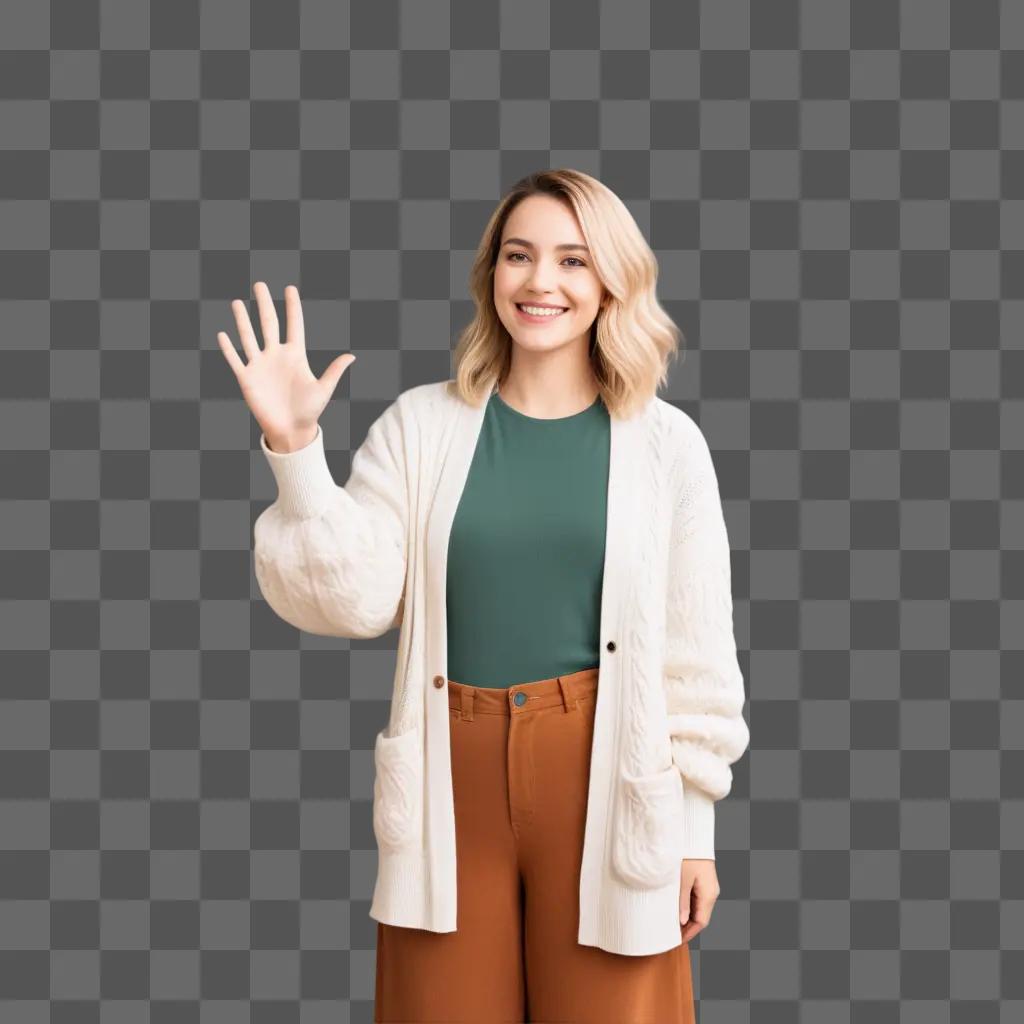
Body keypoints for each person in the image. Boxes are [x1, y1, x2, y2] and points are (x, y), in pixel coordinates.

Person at [218, 168, 750, 1023]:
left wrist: (694, 834)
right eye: (519, 255)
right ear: (490, 274)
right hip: (446, 778)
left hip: (610, 772)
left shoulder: (668, 445)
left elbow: (696, 656)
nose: (542, 282)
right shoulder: (420, 426)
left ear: (613, 280)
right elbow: (353, 600)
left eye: (574, 261)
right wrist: (297, 452)